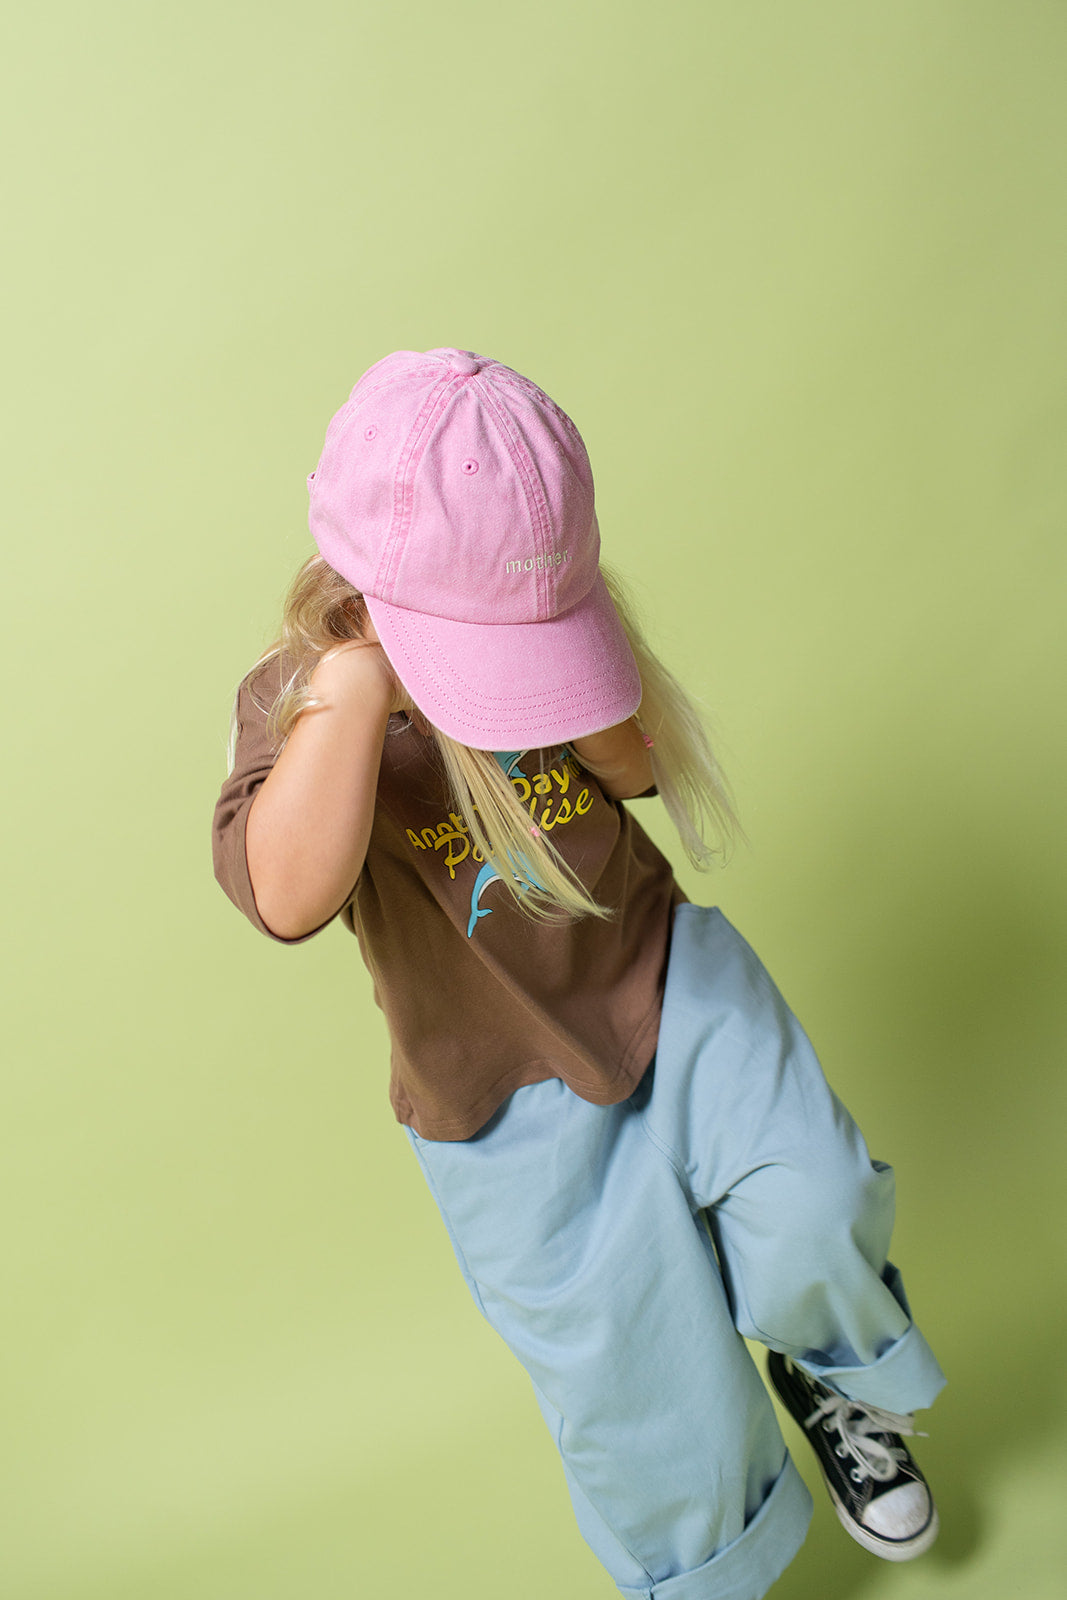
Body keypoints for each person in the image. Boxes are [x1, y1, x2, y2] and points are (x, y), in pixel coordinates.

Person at [212, 347, 946, 1600]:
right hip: (500, 1099)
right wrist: (354, 679)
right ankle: (715, 1567)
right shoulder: (304, 702)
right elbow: (284, 891)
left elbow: (638, 767)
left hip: (663, 980)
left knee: (812, 1199)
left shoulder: (543, 626)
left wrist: (548, 652)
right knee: (640, 1388)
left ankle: (830, 1371)